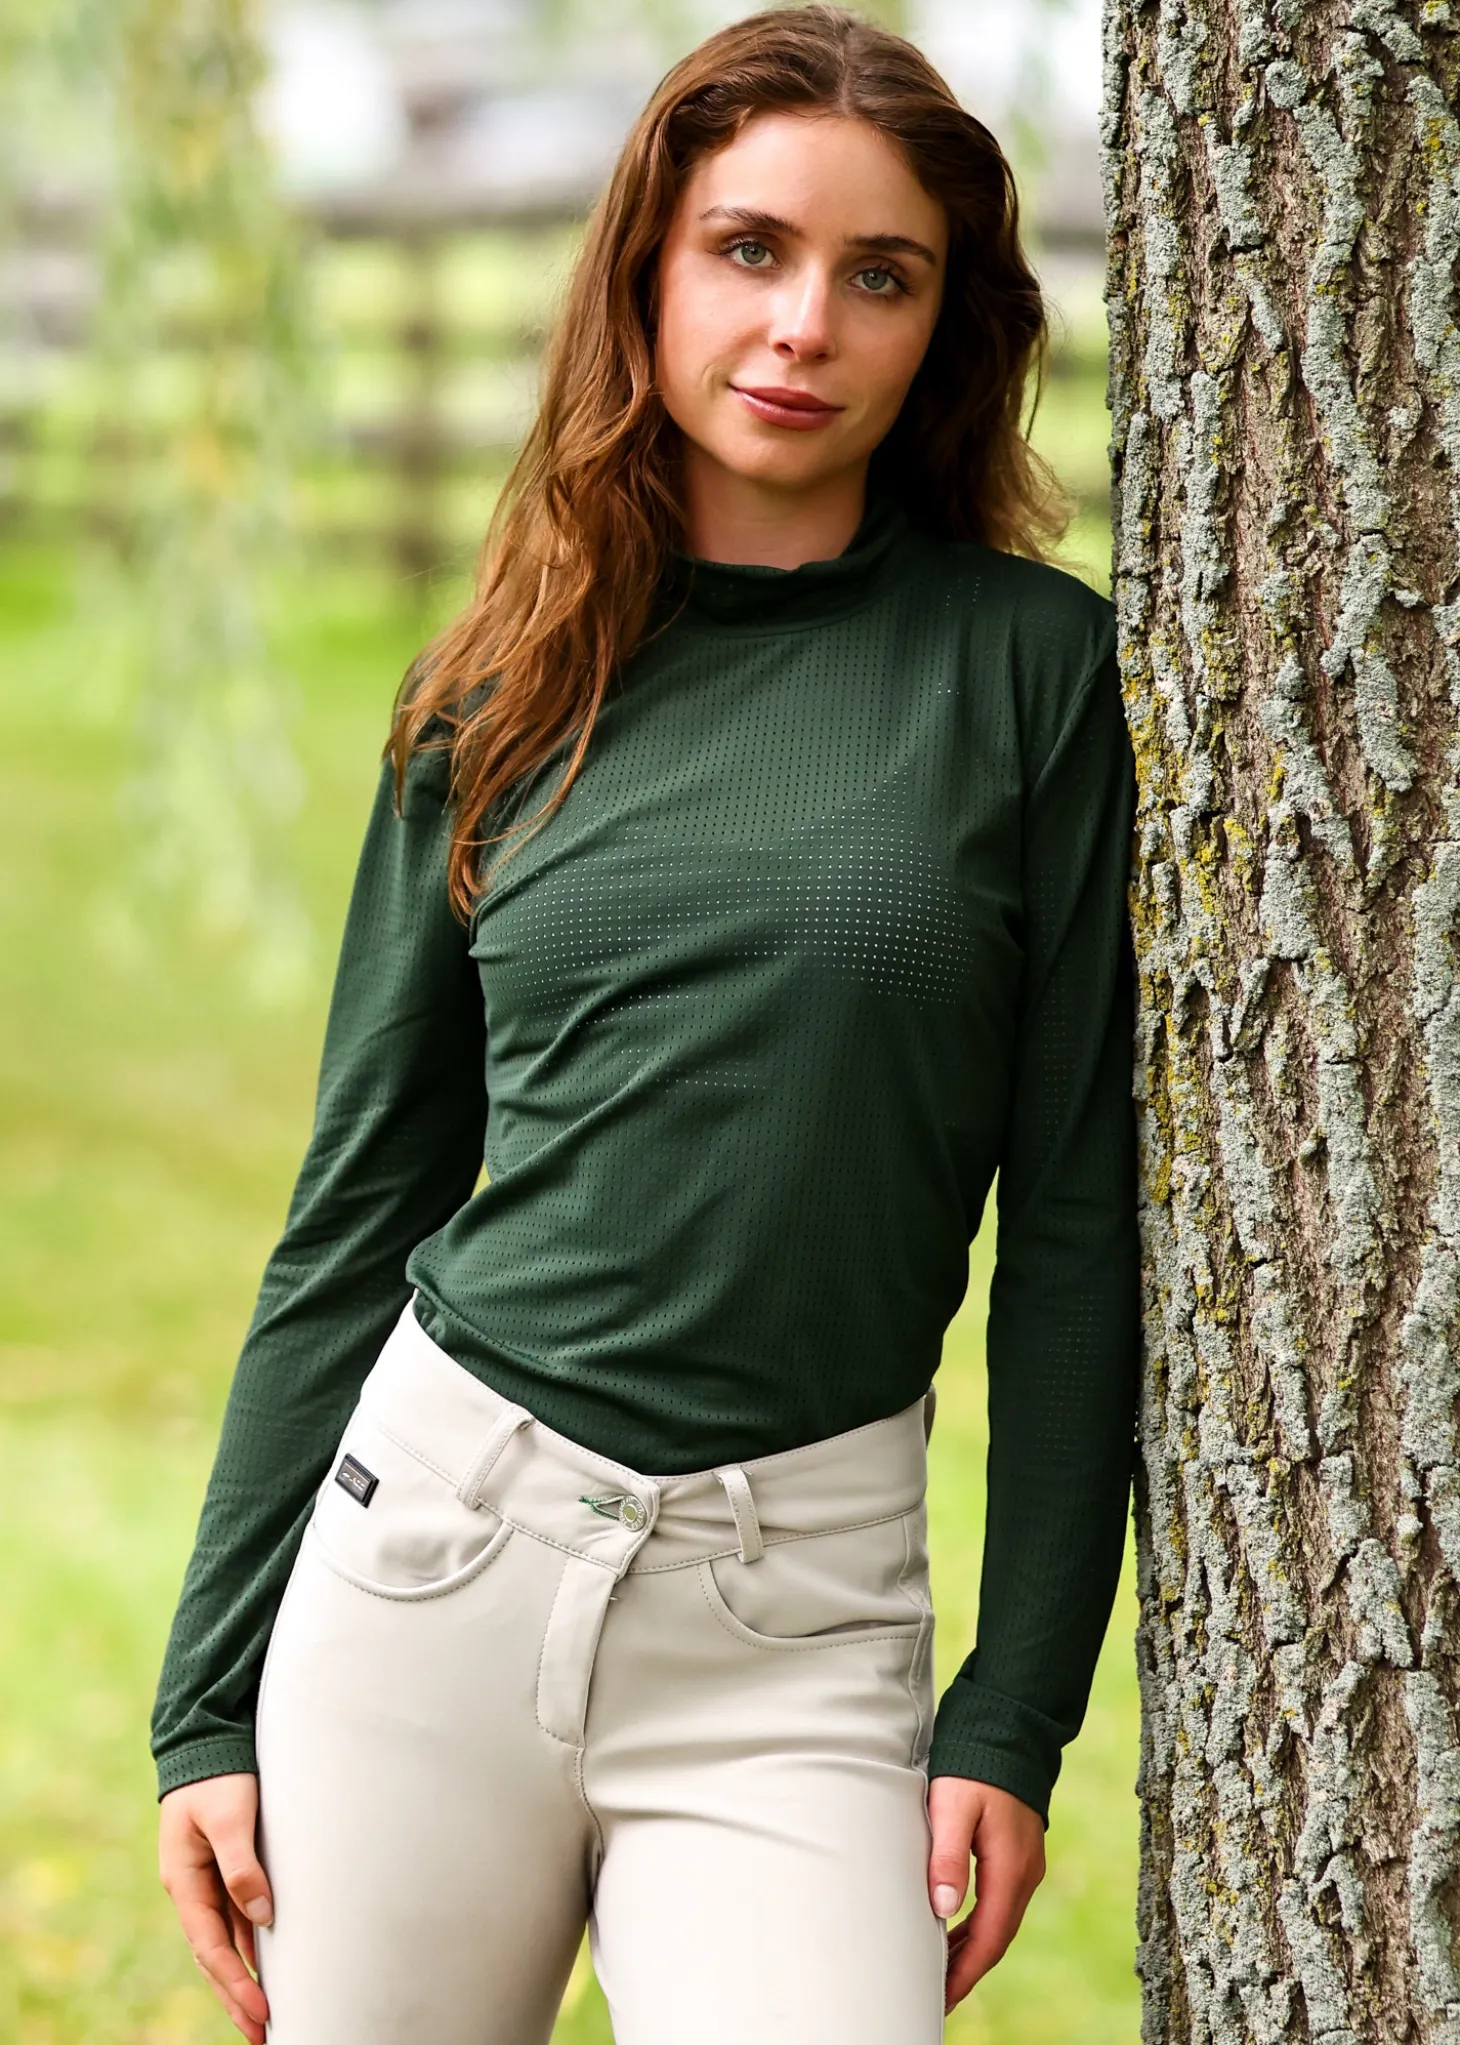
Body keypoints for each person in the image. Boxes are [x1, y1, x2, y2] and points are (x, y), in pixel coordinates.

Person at [151, 6, 1140, 2041]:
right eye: (749, 249)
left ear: (947, 327)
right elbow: (361, 1202)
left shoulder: (1034, 675)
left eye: (882, 276)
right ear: (647, 272)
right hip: (428, 1562)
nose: (804, 325)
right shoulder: (497, 686)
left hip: (797, 1626)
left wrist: (1015, 1710)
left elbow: (1074, 1221)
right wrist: (202, 1704)